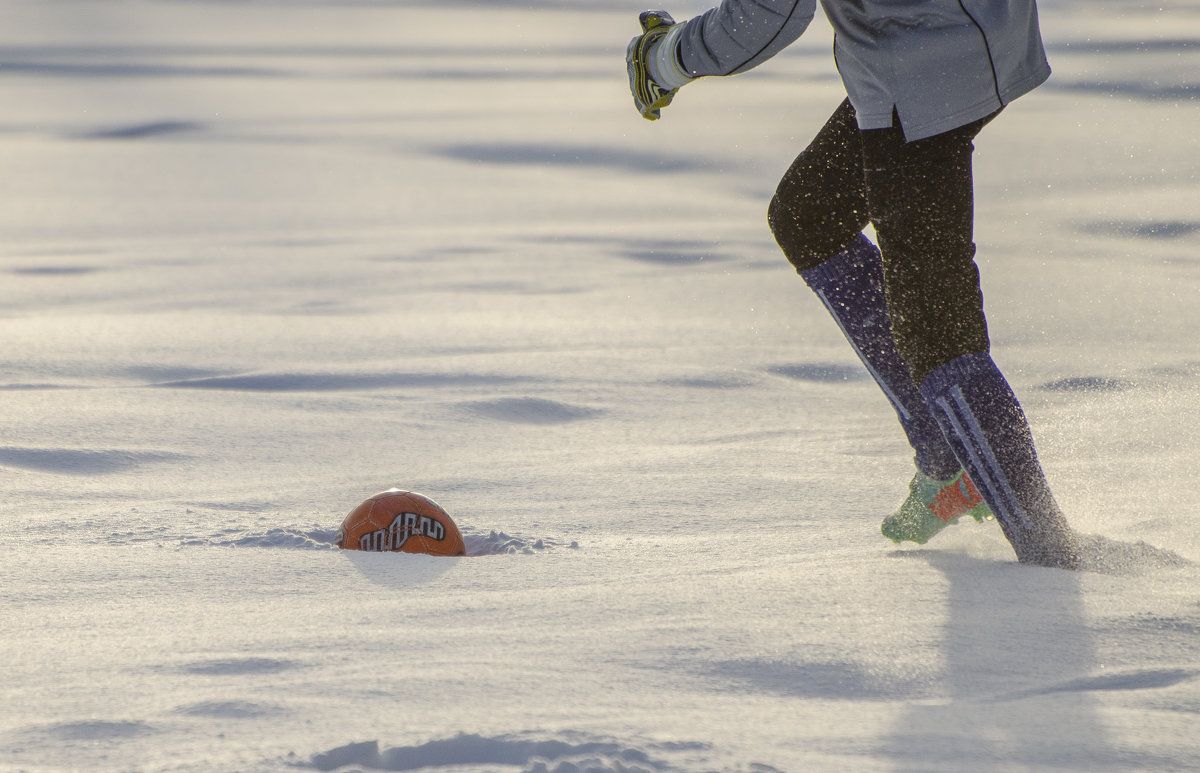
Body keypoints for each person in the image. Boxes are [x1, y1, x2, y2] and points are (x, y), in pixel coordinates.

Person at [626, 1, 1079, 568]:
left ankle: (1053, 561)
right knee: (809, 217)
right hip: (961, 36)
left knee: (937, 329)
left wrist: (666, 59)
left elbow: (771, 11)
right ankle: (949, 457)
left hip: (921, 63)